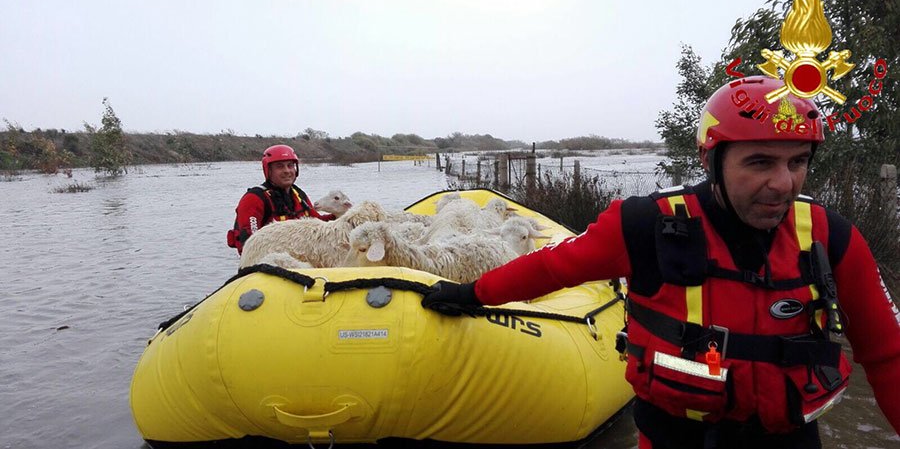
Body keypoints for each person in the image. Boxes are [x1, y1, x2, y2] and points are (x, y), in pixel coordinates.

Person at [422, 77, 900, 448]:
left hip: (788, 438)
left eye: (797, 161)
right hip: (675, 439)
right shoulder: (644, 225)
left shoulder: (830, 237)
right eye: (759, 162)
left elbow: (887, 355)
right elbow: (552, 268)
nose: (783, 183)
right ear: (711, 161)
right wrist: (470, 295)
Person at [227, 144, 334, 254]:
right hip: (267, 261)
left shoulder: (298, 194)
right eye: (280, 166)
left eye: (290, 165)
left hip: (300, 259)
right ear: (268, 170)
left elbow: (319, 224)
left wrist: (342, 216)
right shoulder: (253, 199)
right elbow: (249, 242)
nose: (287, 171)